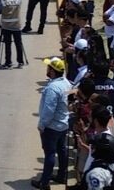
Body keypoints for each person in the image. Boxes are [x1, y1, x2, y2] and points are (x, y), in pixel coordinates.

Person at [32, 57, 71, 189]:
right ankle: (61, 175)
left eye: (49, 67)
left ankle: (44, 182)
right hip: (63, 124)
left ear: (53, 71)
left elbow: (49, 110)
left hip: (52, 126)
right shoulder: (66, 83)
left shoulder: (52, 88)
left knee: (49, 153)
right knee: (62, 150)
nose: (47, 69)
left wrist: (42, 125)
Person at [0, 0, 26, 68]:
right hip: (17, 26)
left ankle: (8, 62)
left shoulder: (1, 1)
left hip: (6, 26)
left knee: (7, 44)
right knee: (18, 44)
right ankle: (20, 62)